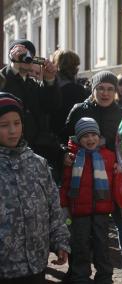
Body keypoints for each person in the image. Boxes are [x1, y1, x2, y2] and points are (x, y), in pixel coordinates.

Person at [65, 71, 122, 282]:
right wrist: (66, 154)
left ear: (116, 91)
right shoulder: (79, 110)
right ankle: (76, 270)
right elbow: (66, 138)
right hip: (82, 180)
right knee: (80, 228)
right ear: (93, 89)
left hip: (113, 177)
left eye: (110, 89)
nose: (105, 93)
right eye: (101, 88)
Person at [0, 93, 70, 283]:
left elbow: (53, 209)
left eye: (17, 123)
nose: (13, 130)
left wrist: (60, 241)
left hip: (37, 265)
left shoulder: (38, 164)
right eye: (4, 125)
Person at [60, 117, 116, 283]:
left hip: (102, 211)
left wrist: (118, 170)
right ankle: (80, 276)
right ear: (78, 138)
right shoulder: (72, 158)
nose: (90, 139)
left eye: (93, 134)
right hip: (79, 212)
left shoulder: (109, 156)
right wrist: (63, 204)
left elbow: (115, 182)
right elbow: (66, 183)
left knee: (102, 247)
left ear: (99, 136)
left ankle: (104, 277)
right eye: (85, 136)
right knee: (80, 247)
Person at [0, 39, 63, 182]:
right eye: (21, 54)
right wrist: (13, 66)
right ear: (11, 56)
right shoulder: (5, 77)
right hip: (8, 153)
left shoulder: (33, 84)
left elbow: (52, 106)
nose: (26, 59)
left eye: (29, 56)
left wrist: (50, 80)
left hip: (35, 152)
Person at [51, 49, 88, 144]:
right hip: (70, 139)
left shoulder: (49, 85)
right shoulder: (77, 90)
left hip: (53, 138)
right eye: (76, 66)